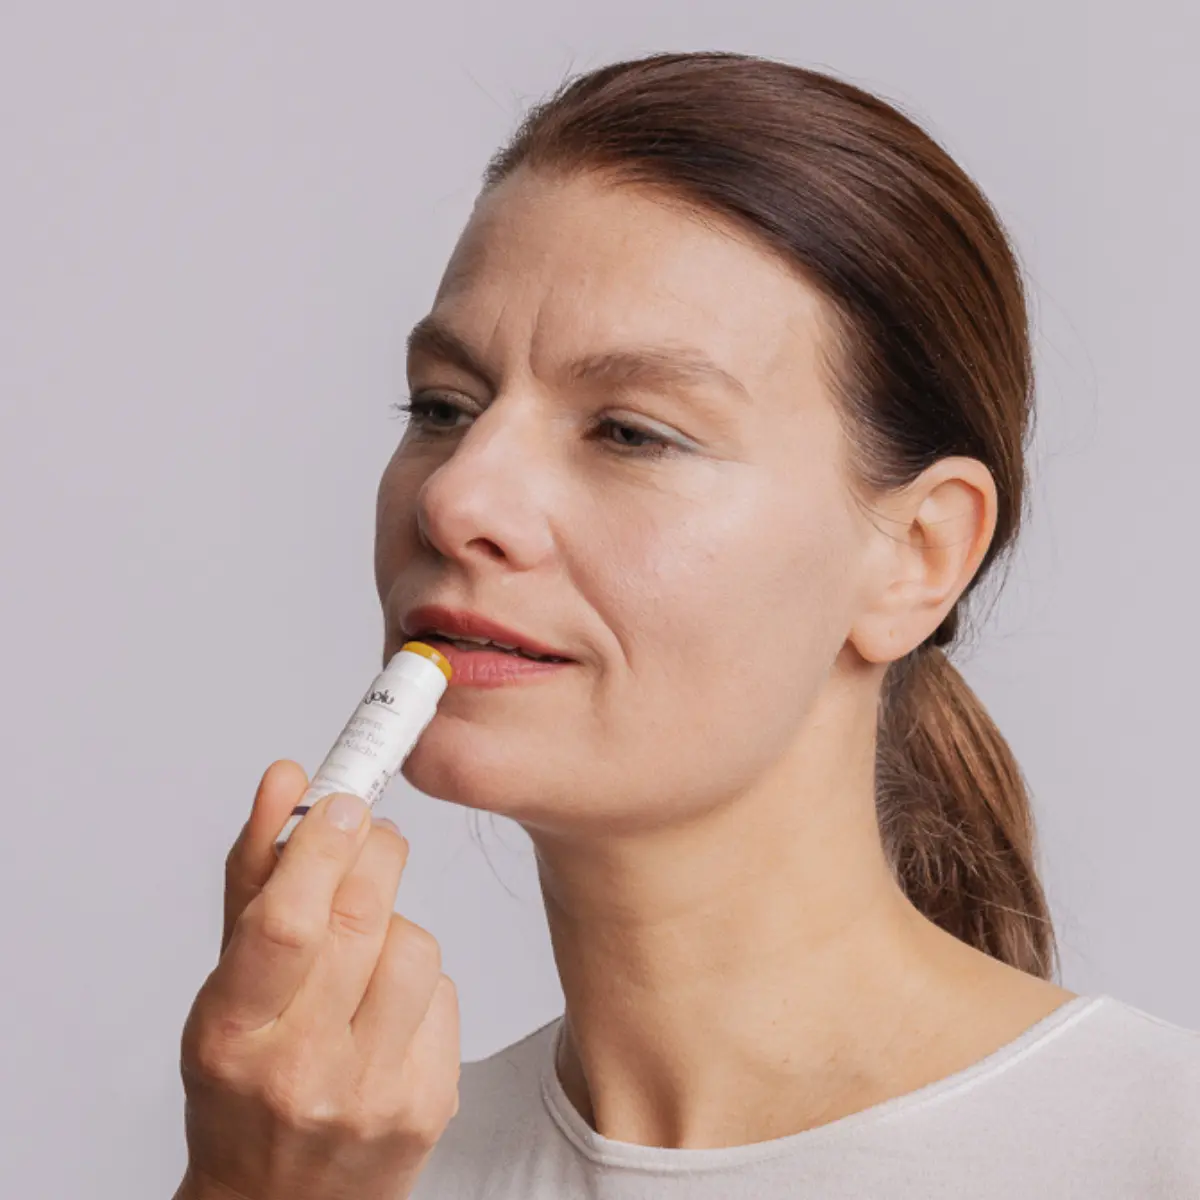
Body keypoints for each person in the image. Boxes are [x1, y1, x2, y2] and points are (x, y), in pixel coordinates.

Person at [175, 51, 1200, 1200]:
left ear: (918, 557)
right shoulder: (326, 1159)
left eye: (630, 432)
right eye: (442, 407)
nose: (455, 497)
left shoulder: (1156, 1153)